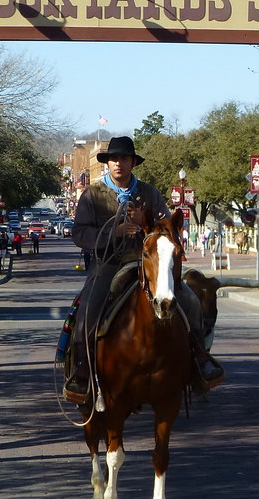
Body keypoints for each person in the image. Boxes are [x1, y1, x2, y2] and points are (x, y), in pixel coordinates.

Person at [63, 136, 223, 405]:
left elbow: (167, 227)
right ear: (107, 163)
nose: (119, 164)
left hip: (148, 262)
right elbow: (79, 234)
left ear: (133, 162)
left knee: (189, 299)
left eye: (124, 159)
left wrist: (148, 224)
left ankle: (200, 359)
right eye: (114, 159)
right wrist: (113, 232)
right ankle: (83, 369)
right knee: (89, 306)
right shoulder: (93, 194)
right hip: (108, 264)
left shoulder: (149, 193)